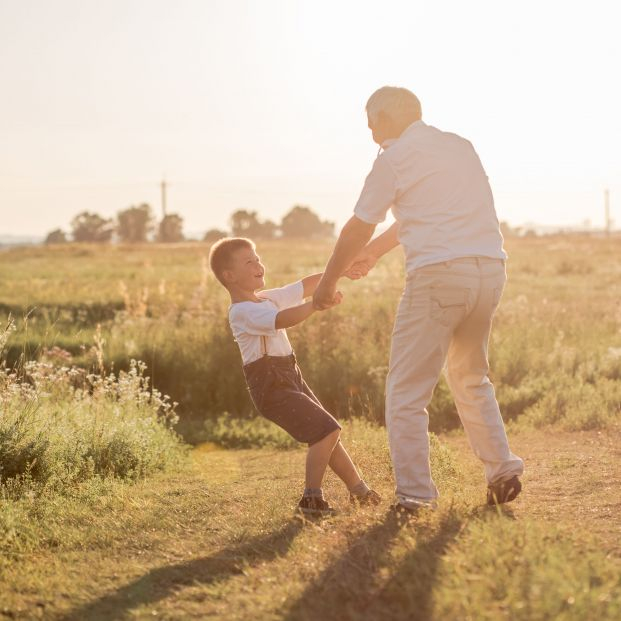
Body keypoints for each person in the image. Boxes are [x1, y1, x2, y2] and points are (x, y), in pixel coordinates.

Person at [314, 86, 524, 513]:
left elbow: (358, 225)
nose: (369, 128)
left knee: (406, 391)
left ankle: (415, 496)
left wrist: (327, 282)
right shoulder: (458, 146)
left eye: (371, 119)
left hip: (438, 278)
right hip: (488, 270)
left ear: (389, 117)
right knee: (470, 376)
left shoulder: (393, 158)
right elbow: (424, 214)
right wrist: (373, 253)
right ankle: (502, 470)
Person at [209, 236, 381, 516]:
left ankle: (359, 491)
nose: (258, 264)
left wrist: (341, 271)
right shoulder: (241, 312)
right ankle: (311, 499)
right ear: (229, 276)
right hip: (270, 385)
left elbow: (304, 285)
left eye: (258, 258)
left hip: (290, 375)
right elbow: (280, 321)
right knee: (328, 430)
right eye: (249, 261)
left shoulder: (267, 298)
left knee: (327, 435)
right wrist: (316, 305)